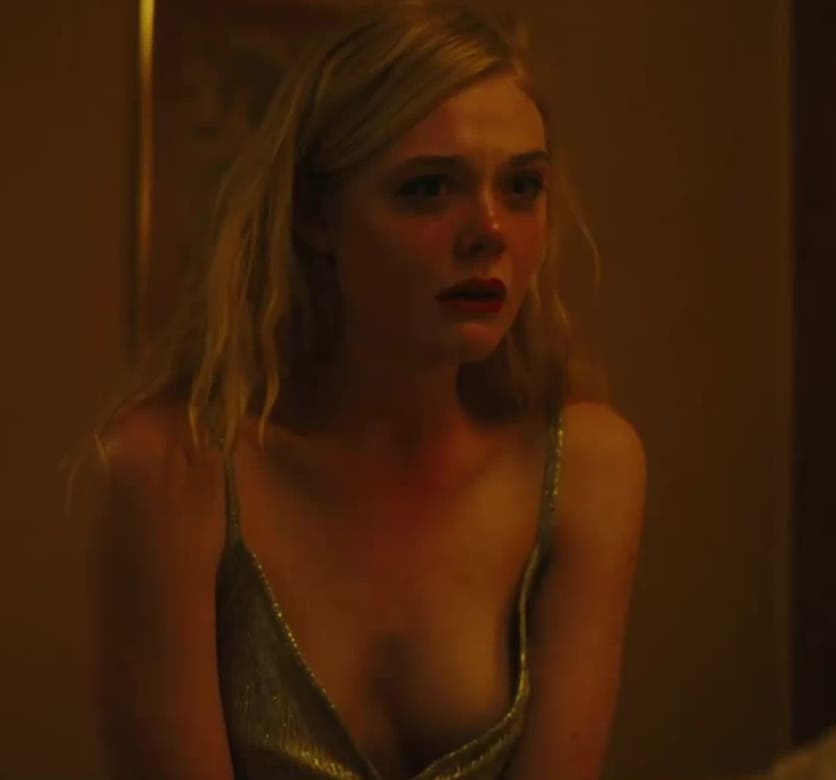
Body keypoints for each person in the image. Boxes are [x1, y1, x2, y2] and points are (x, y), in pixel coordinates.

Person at [85, 2, 647, 777]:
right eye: (428, 188)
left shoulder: (583, 466)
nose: (489, 230)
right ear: (317, 217)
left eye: (522, 186)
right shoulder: (175, 472)